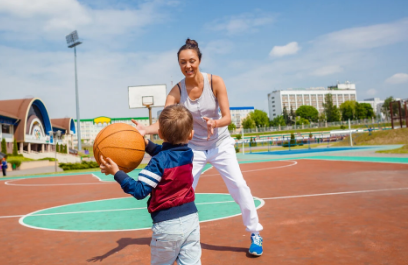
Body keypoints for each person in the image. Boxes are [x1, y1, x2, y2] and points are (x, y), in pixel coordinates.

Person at [133, 39, 264, 256]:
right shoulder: (176, 91)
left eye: (192, 61)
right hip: (192, 149)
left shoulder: (216, 82)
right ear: (179, 64)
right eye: (183, 62)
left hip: (220, 144)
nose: (188, 66)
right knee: (182, 190)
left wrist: (215, 122)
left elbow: (228, 117)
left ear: (199, 60)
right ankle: (178, 238)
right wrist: (145, 130)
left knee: (239, 187)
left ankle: (255, 233)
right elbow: (166, 123)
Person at [100, 105, 201, 265]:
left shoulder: (158, 162)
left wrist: (117, 173)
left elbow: (140, 190)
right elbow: (167, 151)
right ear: (191, 135)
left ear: (159, 133)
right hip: (191, 220)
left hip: (168, 226)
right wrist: (145, 143)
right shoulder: (188, 154)